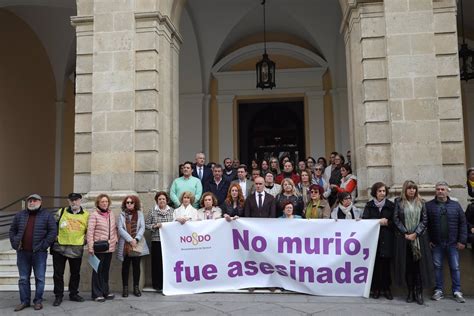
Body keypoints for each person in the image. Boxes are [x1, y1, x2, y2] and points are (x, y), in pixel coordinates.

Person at [9, 194, 57, 311]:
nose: (31, 203)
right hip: (22, 252)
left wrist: (44, 245)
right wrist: (15, 243)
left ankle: (38, 301)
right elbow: (12, 230)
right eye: (29, 201)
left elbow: (52, 231)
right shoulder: (20, 215)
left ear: (40, 202)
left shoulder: (47, 215)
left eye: (34, 201)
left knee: (40, 278)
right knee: (23, 278)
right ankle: (24, 301)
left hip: (39, 253)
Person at [393, 180, 434, 305]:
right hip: (404, 239)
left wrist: (415, 233)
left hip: (418, 239)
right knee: (408, 267)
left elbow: (425, 220)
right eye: (409, 188)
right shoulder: (399, 202)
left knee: (419, 268)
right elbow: (395, 218)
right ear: (405, 190)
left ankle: (419, 292)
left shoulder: (421, 202)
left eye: (414, 188)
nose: (412, 190)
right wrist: (405, 232)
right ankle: (410, 292)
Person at [426, 181, 467, 303]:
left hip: (453, 243)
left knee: (455, 267)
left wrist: (462, 240)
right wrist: (428, 240)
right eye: (438, 189)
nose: (440, 191)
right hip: (436, 243)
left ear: (447, 191)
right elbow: (425, 225)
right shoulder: (429, 206)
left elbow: (463, 223)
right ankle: (438, 290)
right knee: (437, 267)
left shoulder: (455, 205)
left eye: (442, 189)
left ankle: (457, 291)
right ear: (435, 191)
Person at [51, 193, 89, 307]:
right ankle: (58, 295)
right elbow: (52, 225)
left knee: (75, 273)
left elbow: (89, 230)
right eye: (72, 200)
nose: (74, 202)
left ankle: (73, 294)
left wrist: (86, 240)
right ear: (68, 201)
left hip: (76, 248)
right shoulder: (61, 212)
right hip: (60, 248)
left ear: (80, 200)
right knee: (58, 274)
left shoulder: (86, 215)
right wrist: (54, 236)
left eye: (76, 200)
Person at [362, 183, 395, 300]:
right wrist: (378, 221)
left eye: (384, 191)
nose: (382, 193)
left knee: (386, 266)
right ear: (375, 192)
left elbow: (395, 222)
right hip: (373, 240)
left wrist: (387, 223)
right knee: (375, 266)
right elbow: (365, 221)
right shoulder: (369, 205)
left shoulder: (391, 205)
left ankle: (386, 289)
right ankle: (375, 289)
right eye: (380, 191)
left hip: (387, 239)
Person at [87, 193, 118, 302]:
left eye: (106, 202)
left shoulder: (111, 214)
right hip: (99, 247)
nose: (105, 203)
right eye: (102, 202)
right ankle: (96, 294)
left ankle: (105, 291)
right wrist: (90, 247)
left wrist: (115, 239)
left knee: (105, 271)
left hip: (109, 247)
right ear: (98, 203)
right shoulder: (94, 215)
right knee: (97, 271)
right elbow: (90, 232)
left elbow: (114, 229)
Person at [117, 195, 149, 298]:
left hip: (137, 244)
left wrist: (136, 239)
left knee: (136, 267)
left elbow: (142, 227)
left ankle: (136, 287)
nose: (129, 204)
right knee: (125, 267)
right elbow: (120, 229)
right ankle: (125, 288)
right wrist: (130, 240)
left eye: (131, 202)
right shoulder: (122, 215)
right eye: (127, 202)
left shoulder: (139, 214)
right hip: (126, 245)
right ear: (125, 204)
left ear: (135, 203)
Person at [145, 191, 174, 292]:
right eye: (160, 199)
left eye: (163, 199)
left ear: (167, 200)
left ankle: (168, 283)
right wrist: (154, 226)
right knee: (157, 263)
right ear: (157, 201)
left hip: (168, 242)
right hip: (156, 240)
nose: (162, 201)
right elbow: (146, 225)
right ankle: (157, 284)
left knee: (168, 263)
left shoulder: (172, 211)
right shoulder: (152, 211)